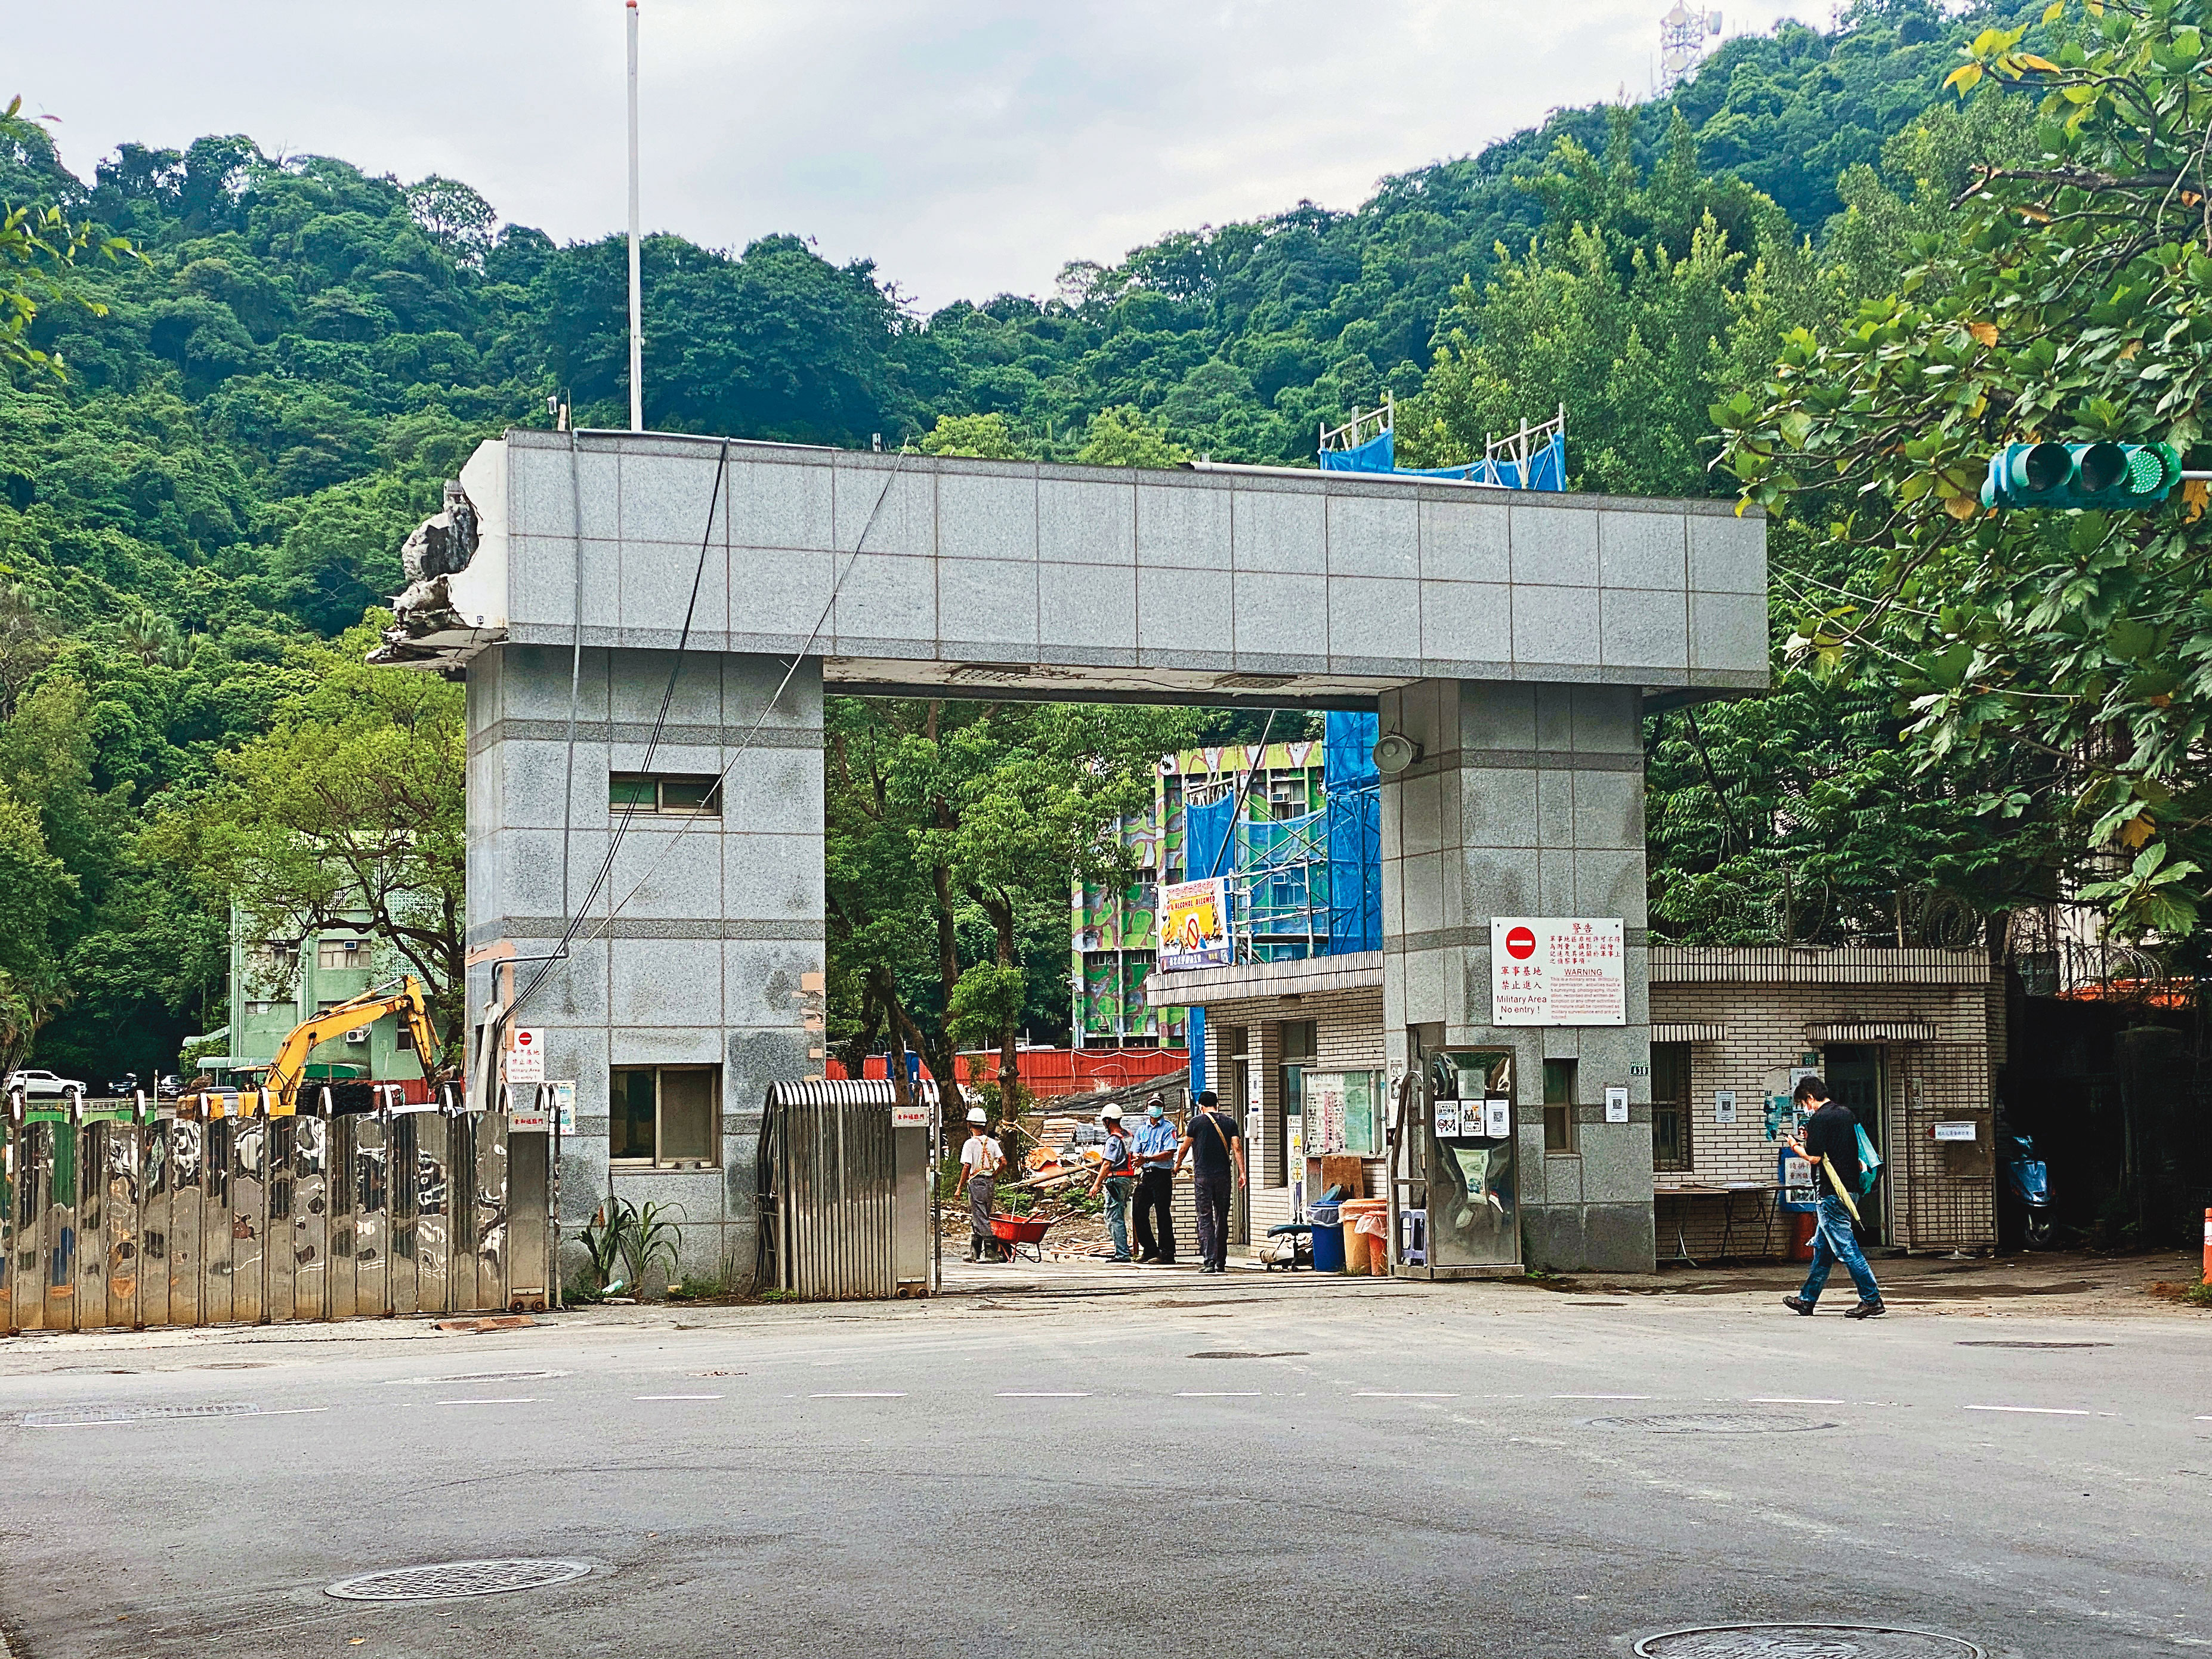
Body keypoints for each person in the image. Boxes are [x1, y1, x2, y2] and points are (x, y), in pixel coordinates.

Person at [1781, 1073, 1885, 1318]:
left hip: (1830, 1192)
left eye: (1804, 1103)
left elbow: (1814, 1157)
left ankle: (1872, 1299)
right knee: (1823, 1250)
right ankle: (1807, 1300)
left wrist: (1795, 1146)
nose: (1805, 1108)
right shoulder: (1846, 1114)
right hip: (1851, 1188)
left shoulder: (1820, 1119)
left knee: (1847, 1249)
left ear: (1810, 1097)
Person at [1175, 1088, 1246, 1274]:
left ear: (1201, 1106)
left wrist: (1177, 1165)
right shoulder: (1230, 1122)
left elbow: (1184, 1148)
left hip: (1203, 1177)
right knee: (1222, 1217)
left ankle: (1209, 1261)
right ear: (1217, 1105)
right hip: (1223, 1176)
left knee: (1205, 1217)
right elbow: (1237, 1148)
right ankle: (1221, 1261)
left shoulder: (1196, 1122)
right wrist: (1242, 1173)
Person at [1130, 1095, 1180, 1263]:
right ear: (1147, 1108)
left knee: (1162, 1213)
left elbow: (1169, 1152)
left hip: (1162, 1175)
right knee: (1138, 1210)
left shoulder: (1168, 1128)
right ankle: (1150, 1248)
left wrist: (1147, 1158)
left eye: (1158, 1105)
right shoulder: (1142, 1129)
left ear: (1163, 1108)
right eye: (1153, 1105)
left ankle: (1167, 1252)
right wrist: (1139, 1158)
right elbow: (1135, 1150)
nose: (1155, 1109)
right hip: (1147, 1175)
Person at [1086, 1103, 1135, 1262]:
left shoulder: (1113, 1140)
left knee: (1114, 1217)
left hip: (1115, 1180)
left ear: (1107, 1121)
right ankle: (1124, 1250)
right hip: (1127, 1179)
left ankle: (1122, 1253)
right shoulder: (1128, 1136)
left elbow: (1107, 1164)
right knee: (1119, 1214)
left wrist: (1096, 1185)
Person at [959, 1106, 1006, 1263]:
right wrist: (995, 1175)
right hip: (989, 1183)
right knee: (981, 1215)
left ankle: (991, 1253)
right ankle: (975, 1253)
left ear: (969, 1125)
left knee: (980, 1217)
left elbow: (967, 1166)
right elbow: (1003, 1162)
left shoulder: (970, 1144)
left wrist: (959, 1187)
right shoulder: (992, 1143)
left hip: (976, 1182)